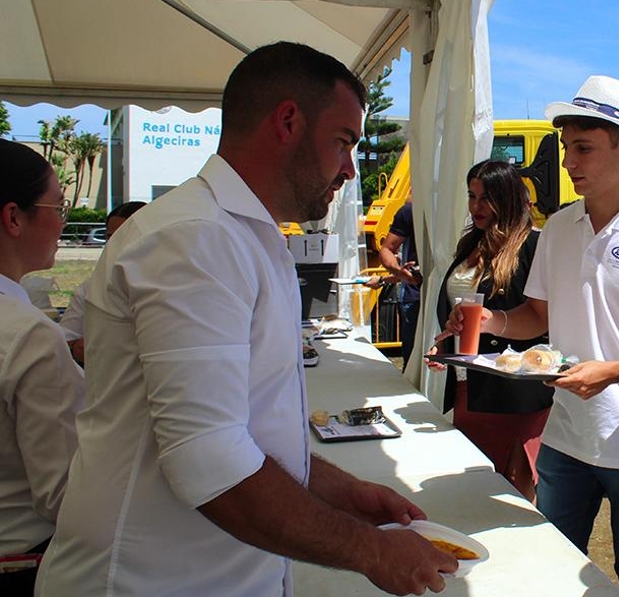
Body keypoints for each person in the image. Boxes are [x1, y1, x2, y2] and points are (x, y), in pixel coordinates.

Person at [36, 42, 457, 596]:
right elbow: (208, 458)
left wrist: (343, 492)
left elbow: (249, 431)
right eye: (343, 142)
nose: (349, 170)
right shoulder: (196, 238)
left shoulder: (241, 234)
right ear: (287, 121)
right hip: (149, 580)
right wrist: (369, 548)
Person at [444, 75, 619, 597]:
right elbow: (535, 315)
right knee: (555, 569)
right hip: (565, 438)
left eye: (583, 149)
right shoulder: (561, 228)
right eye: (567, 148)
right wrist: (490, 323)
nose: (569, 162)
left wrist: (614, 372)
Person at [426, 160, 553, 501]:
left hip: (514, 394)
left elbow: (541, 318)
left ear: (509, 198)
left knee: (509, 496)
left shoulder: (531, 246)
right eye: (472, 196)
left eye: (486, 197)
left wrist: (491, 321)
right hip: (470, 388)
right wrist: (446, 344)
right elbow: (461, 309)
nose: (476, 206)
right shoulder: (471, 244)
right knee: (475, 492)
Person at [0, 140, 85, 596]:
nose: (61, 222)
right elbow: (64, 494)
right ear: (14, 218)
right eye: (58, 206)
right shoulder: (27, 336)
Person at [58, 201, 146, 365]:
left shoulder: (174, 288)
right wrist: (76, 347)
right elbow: (64, 339)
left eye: (125, 237)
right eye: (110, 238)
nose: (115, 246)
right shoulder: (90, 288)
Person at [368, 194, 421, 365]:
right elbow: (387, 250)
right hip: (414, 299)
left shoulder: (461, 210)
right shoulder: (410, 211)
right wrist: (396, 272)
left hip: (451, 298)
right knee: (414, 360)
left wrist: (387, 278)